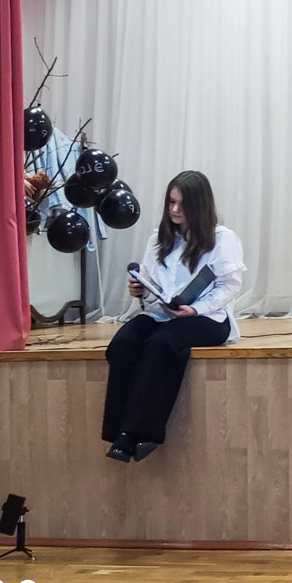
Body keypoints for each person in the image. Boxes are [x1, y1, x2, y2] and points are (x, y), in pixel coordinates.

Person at [104, 170, 243, 463]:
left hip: (209, 317)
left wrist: (195, 309)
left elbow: (229, 286)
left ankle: (141, 433)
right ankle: (118, 429)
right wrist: (140, 289)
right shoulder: (159, 238)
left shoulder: (222, 238)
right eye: (171, 202)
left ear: (199, 205)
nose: (175, 210)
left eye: (182, 204)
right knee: (123, 343)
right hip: (164, 312)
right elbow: (149, 282)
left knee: (162, 343)